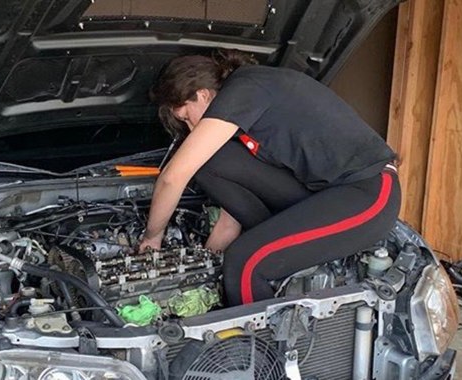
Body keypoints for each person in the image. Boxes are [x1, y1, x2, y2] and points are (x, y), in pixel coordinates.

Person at [139, 50, 401, 306]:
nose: (191, 128)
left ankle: (259, 349)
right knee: (211, 163)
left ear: (203, 94)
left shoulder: (247, 87)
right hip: (325, 193)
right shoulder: (249, 111)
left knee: (245, 263)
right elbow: (229, 225)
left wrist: (152, 236)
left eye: (186, 117)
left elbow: (172, 178)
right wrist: (200, 273)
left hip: (368, 191)